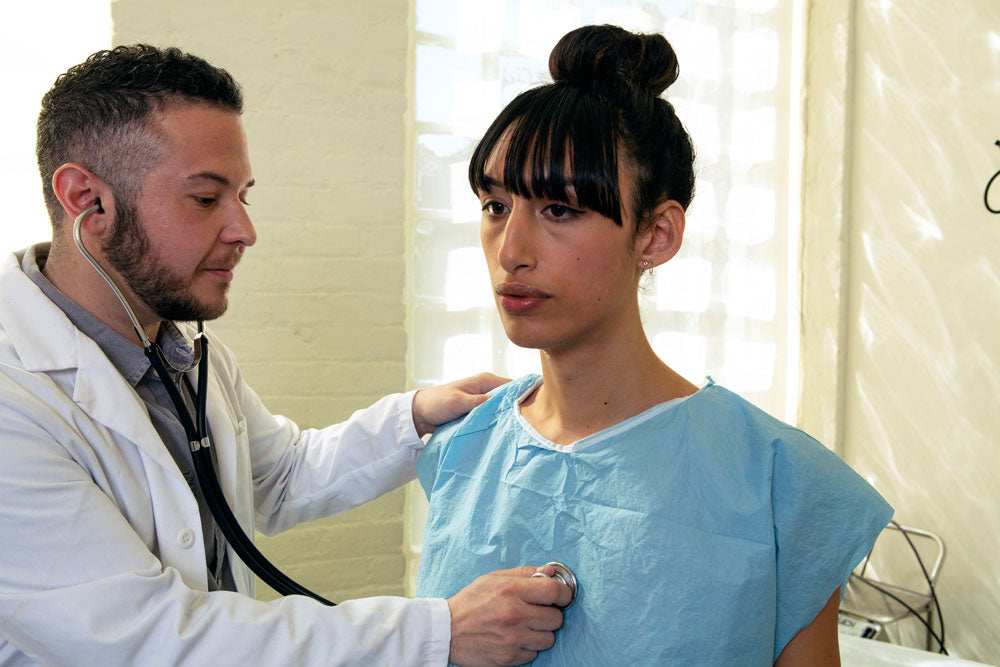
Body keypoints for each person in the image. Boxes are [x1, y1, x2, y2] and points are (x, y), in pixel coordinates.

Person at [0, 45, 573, 667]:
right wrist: (439, 633)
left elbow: (275, 478)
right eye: (205, 198)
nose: (245, 230)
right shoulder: (16, 396)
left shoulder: (180, 350)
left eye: (243, 195)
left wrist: (414, 417)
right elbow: (149, 638)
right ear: (88, 199)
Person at [414, 25, 893, 666]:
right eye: (496, 205)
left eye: (559, 209)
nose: (511, 252)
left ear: (656, 235)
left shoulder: (779, 485)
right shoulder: (463, 450)